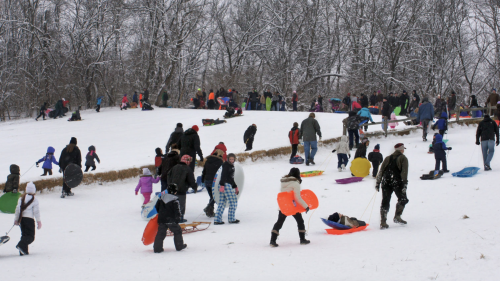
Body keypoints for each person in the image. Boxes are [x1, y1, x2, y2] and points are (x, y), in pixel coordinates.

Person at [270, 168, 309, 247]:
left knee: (279, 222)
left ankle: (272, 241)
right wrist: (306, 206)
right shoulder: (295, 183)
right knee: (300, 221)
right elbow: (297, 197)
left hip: (283, 205)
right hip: (293, 206)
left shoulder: (284, 181)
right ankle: (302, 239)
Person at [375, 143, 409, 229]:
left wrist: (378, 182)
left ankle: (383, 222)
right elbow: (404, 172)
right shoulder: (403, 158)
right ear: (401, 150)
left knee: (385, 201)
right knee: (403, 199)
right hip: (397, 182)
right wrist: (404, 184)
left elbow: (381, 171)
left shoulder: (387, 158)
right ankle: (397, 216)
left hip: (386, 182)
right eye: (403, 149)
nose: (403, 150)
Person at [153, 183, 187, 253]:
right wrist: (177, 219)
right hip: (171, 220)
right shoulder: (175, 199)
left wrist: (161, 214)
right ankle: (179, 246)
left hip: (162, 219)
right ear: (174, 191)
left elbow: (156, 207)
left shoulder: (161, 198)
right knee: (177, 231)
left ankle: (157, 248)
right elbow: (177, 211)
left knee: (161, 233)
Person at [13, 182, 41, 256]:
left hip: (22, 219)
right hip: (29, 220)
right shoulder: (34, 199)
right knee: (31, 237)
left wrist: (16, 219)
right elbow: (36, 212)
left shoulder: (21, 198)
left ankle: (23, 251)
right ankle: (21, 245)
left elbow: (17, 210)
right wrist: (39, 221)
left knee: (24, 235)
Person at [168, 155, 197, 222]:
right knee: (181, 204)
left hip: (172, 189)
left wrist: (170, 185)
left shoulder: (174, 167)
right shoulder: (187, 169)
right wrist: (194, 186)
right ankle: (180, 218)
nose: (189, 162)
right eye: (189, 161)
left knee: (174, 203)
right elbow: (191, 180)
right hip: (181, 189)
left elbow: (168, 176)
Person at [214, 153, 239, 225]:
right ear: (228, 159)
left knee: (222, 202)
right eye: (230, 159)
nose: (231, 160)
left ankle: (217, 220)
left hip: (226, 184)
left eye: (232, 159)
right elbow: (223, 175)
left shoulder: (231, 166)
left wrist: (235, 187)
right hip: (225, 185)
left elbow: (231, 178)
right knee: (233, 201)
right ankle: (231, 219)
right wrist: (222, 185)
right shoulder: (226, 166)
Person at [201, 149, 224, 217]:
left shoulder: (208, 160)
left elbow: (204, 171)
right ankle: (209, 210)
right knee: (214, 197)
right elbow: (221, 172)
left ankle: (209, 210)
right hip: (214, 181)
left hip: (206, 180)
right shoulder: (219, 161)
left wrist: (203, 180)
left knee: (212, 196)